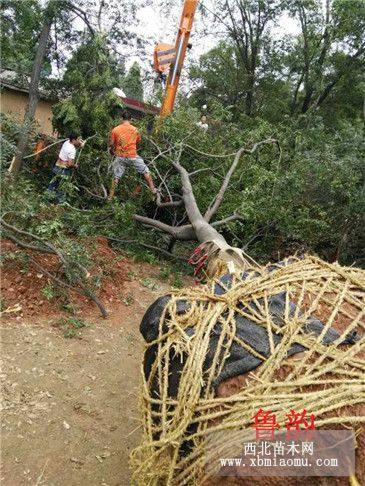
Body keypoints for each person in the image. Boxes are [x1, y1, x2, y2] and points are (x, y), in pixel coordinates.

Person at [108, 110, 157, 201]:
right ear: (130, 119)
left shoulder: (115, 129)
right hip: (132, 156)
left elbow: (111, 145)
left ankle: (110, 197)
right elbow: (138, 142)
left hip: (120, 156)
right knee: (145, 171)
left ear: (121, 118)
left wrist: (112, 152)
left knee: (116, 177)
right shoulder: (135, 130)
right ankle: (153, 189)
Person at [47, 133, 84, 203]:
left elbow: (74, 146)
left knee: (52, 185)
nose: (79, 141)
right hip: (63, 171)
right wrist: (75, 166)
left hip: (57, 166)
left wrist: (80, 144)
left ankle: (46, 200)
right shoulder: (72, 150)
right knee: (62, 188)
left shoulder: (66, 142)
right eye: (78, 140)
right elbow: (69, 164)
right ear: (73, 140)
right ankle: (59, 205)